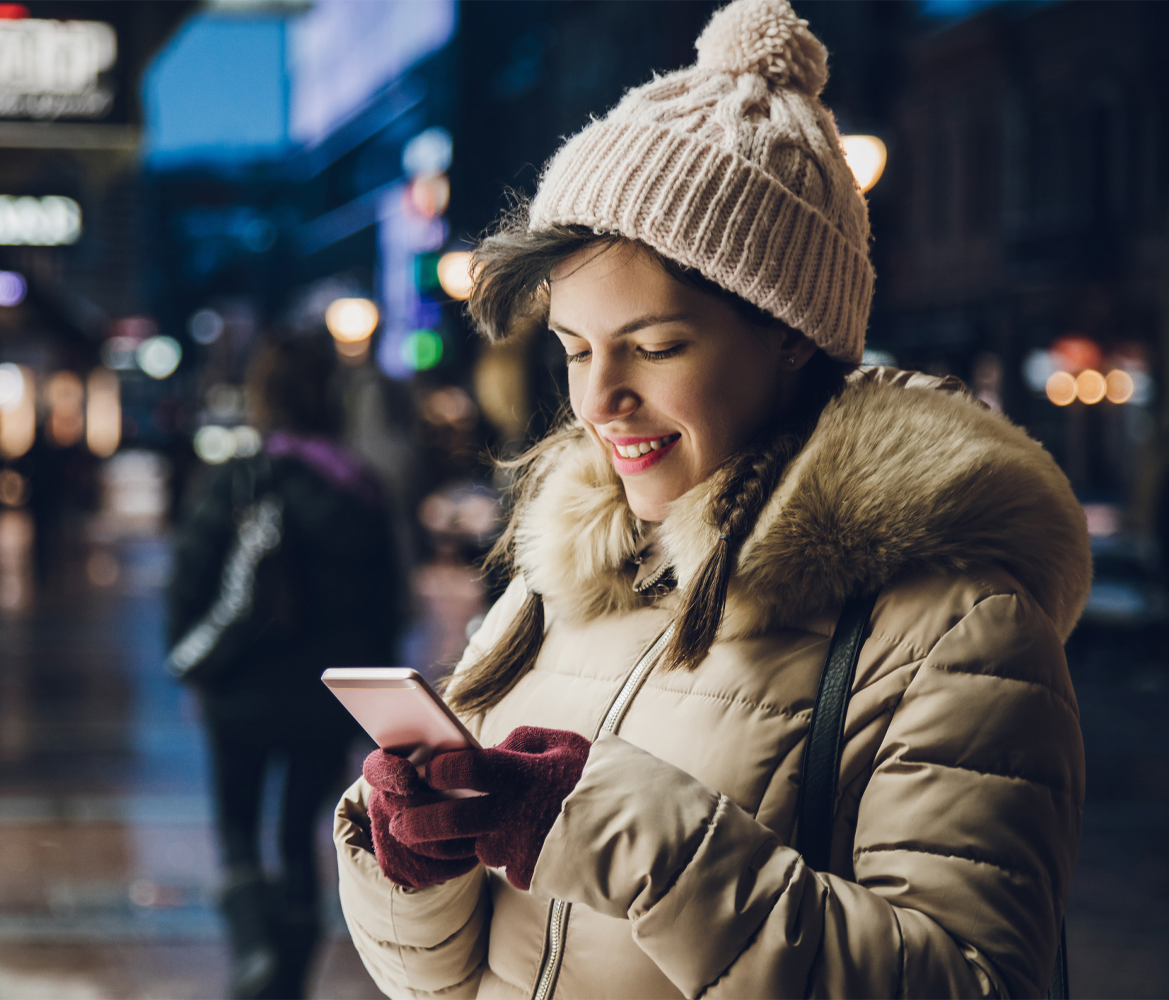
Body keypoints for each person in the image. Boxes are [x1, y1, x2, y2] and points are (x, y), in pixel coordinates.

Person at [333, 1, 1089, 997]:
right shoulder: (559, 583)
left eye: (654, 348)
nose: (599, 400)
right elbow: (442, 980)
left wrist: (615, 830)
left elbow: (970, 979)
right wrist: (410, 863)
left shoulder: (954, 626)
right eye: (575, 350)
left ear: (790, 336)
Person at [169, 335, 402, 998]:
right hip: (324, 702)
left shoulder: (238, 479)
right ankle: (289, 978)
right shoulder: (359, 490)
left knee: (238, 828)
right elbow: (388, 609)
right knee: (302, 833)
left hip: (239, 690)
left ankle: (252, 957)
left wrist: (195, 663)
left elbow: (190, 582)